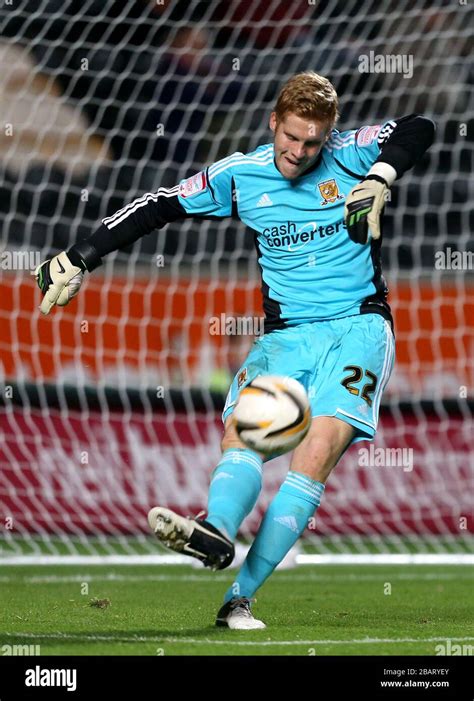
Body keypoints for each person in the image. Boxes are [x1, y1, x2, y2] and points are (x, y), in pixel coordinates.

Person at [35, 72, 435, 630]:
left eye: (312, 142)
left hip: (359, 329)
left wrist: (382, 175)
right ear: (273, 122)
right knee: (243, 436)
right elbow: (160, 204)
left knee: (316, 450)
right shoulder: (241, 175)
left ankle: (238, 598)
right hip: (285, 336)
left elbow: (420, 126)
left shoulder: (351, 154)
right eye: (290, 138)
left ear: (330, 136)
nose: (298, 152)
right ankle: (217, 532)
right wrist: (82, 255)